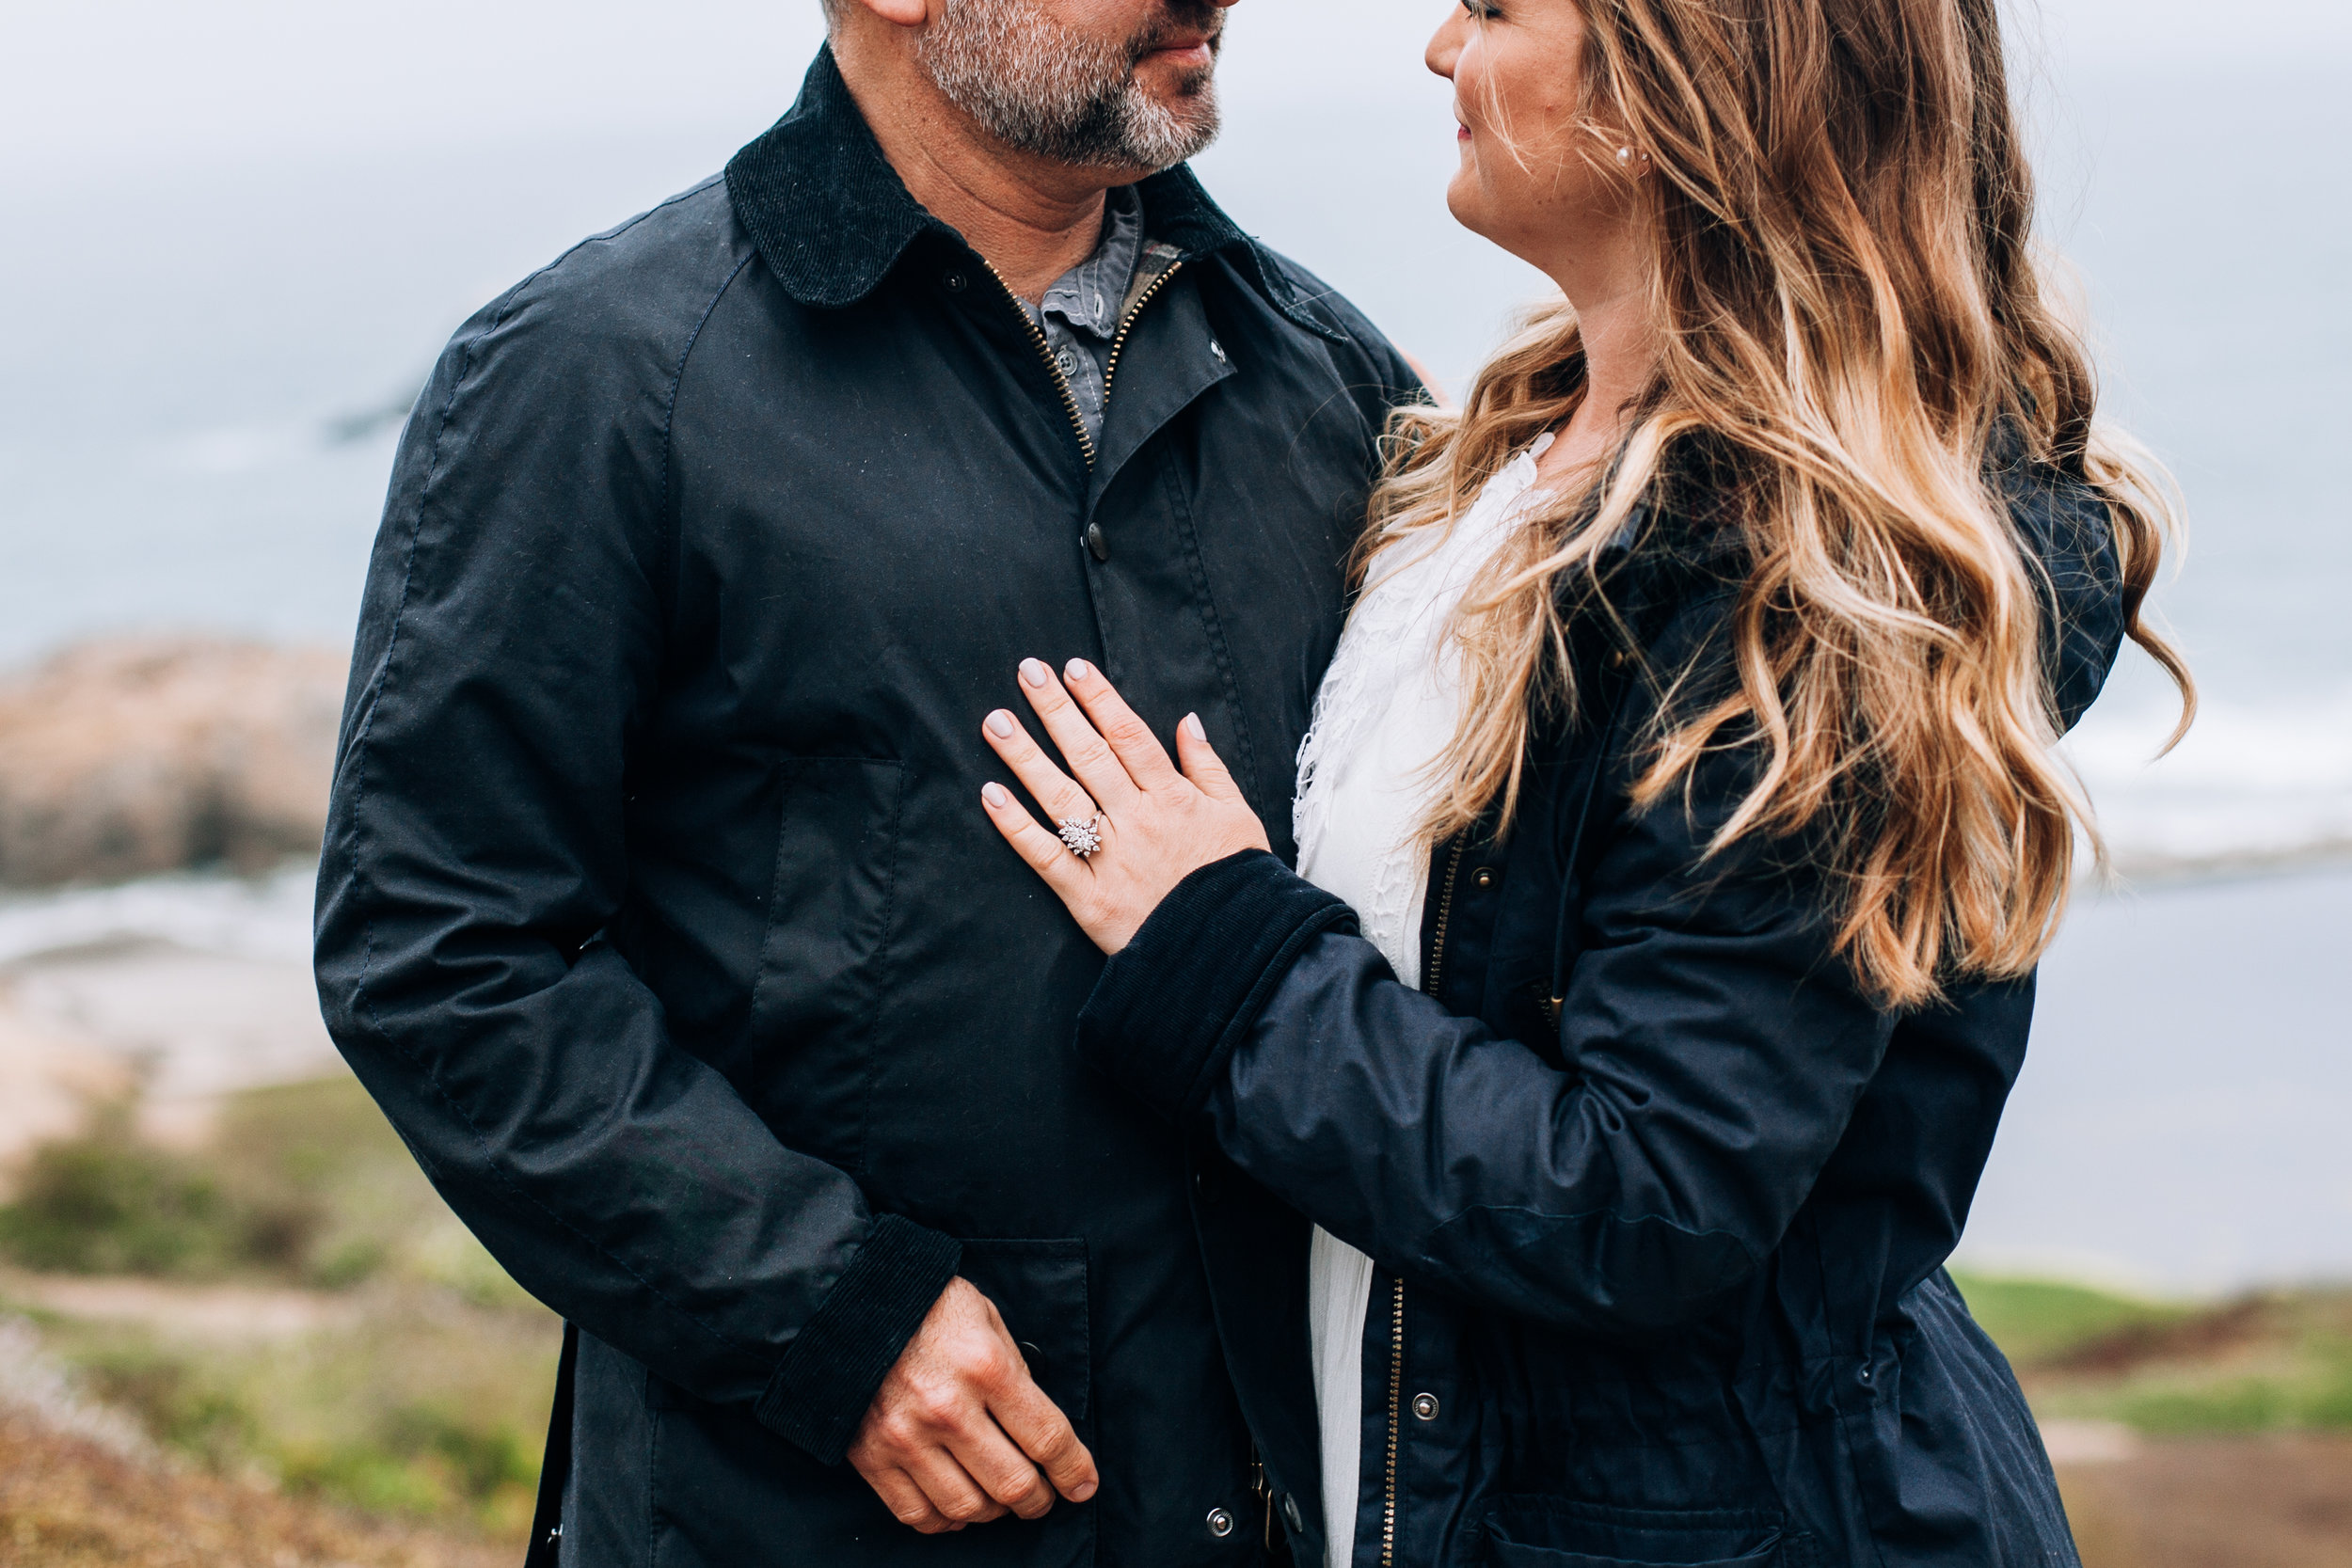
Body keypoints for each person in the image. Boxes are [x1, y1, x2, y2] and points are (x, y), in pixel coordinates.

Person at [977, 0, 2194, 1563]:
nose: (1435, 50)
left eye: (1491, 10)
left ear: (1688, 77)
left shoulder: (1806, 592)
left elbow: (1648, 1191)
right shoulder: (1495, 466)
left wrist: (1214, 953)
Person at [311, 0, 1422, 1561]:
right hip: (803, 1510)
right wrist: (828, 1314)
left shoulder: (1331, 377)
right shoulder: (594, 375)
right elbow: (441, 952)